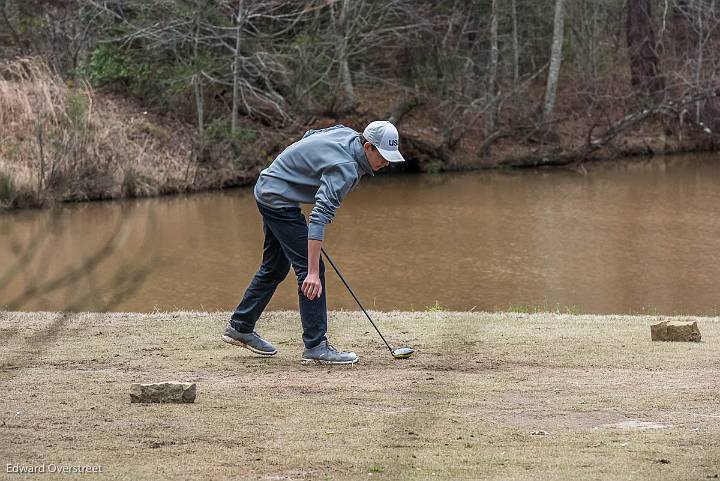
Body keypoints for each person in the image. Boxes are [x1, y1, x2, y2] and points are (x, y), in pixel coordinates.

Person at [222, 121, 406, 364]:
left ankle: (241, 326)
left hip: (270, 189)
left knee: (275, 267)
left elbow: (310, 135)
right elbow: (319, 216)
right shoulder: (346, 168)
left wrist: (295, 176)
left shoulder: (348, 135)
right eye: (383, 156)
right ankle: (316, 346)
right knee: (312, 270)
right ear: (369, 146)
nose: (386, 163)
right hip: (277, 199)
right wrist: (311, 272)